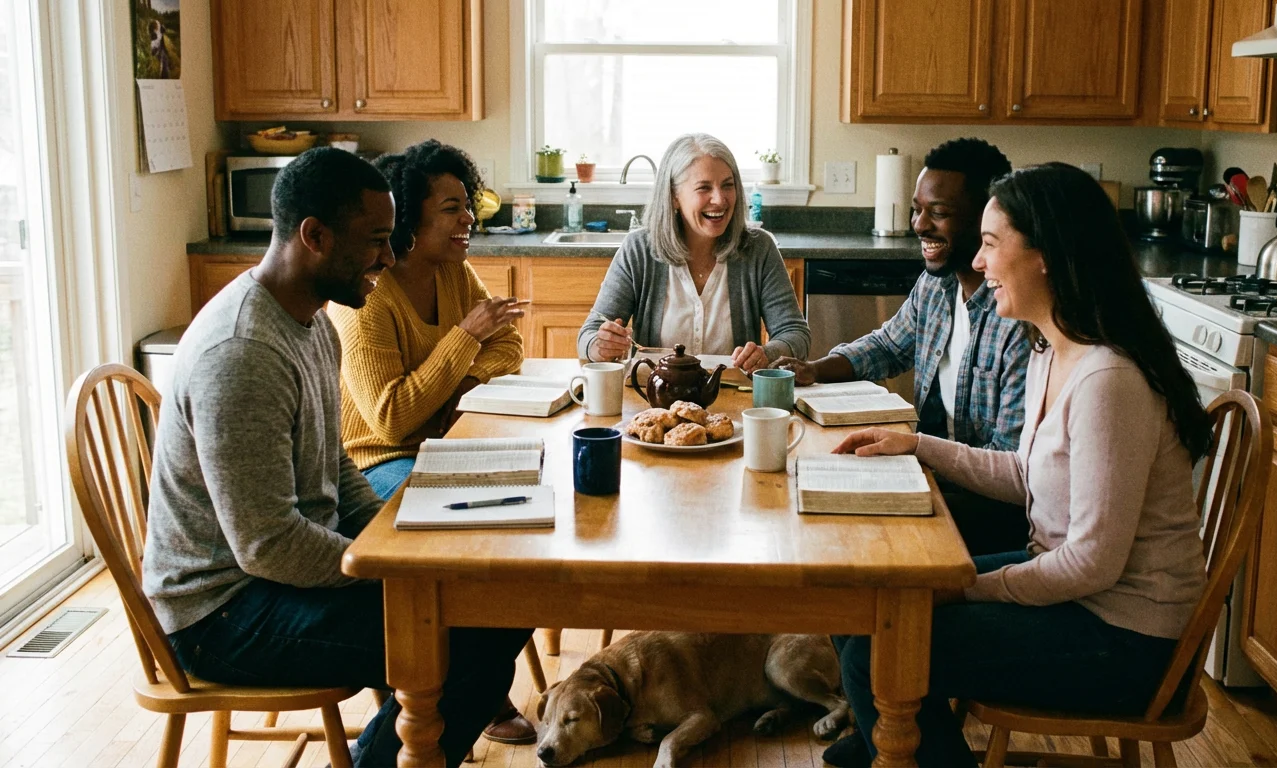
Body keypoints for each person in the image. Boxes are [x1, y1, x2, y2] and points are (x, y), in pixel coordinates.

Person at [140, 147, 531, 767]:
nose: (387, 255)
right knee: (468, 636)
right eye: (376, 240)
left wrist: (398, 541)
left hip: (276, 576)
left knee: (495, 606)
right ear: (314, 237)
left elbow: (338, 470)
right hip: (221, 611)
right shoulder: (242, 353)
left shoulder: (311, 321)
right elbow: (266, 544)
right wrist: (390, 570)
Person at [824, 163, 1213, 768]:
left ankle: (904, 748)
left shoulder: (1107, 379)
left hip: (1125, 640)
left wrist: (972, 588)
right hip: (1076, 596)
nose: (978, 264)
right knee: (866, 602)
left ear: (1046, 257)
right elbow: (1023, 474)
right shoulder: (1051, 349)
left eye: (989, 244)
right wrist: (917, 445)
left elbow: (1092, 563)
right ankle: (898, 745)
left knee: (877, 647)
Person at [327, 139, 533, 745]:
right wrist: (463, 340)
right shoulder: (370, 298)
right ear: (410, 219)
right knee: (467, 550)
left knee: (520, 532)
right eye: (451, 207)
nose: (469, 217)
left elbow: (510, 346)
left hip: (441, 441)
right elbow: (390, 420)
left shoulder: (453, 270)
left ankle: (462, 688)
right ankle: (451, 698)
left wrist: (447, 388)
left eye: (468, 203)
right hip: (376, 464)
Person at [771, 138, 1029, 556]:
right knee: (810, 494)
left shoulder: (1018, 319)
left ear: (989, 220)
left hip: (991, 505)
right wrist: (814, 369)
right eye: (918, 209)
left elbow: (1012, 469)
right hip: (932, 471)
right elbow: (888, 346)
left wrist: (913, 458)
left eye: (939, 213)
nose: (919, 225)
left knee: (848, 533)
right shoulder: (936, 285)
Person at [577, 133, 809, 372]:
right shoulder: (638, 250)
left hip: (735, 400)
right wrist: (600, 345)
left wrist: (767, 354)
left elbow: (796, 334)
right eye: (704, 188)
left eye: (727, 185)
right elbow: (589, 334)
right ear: (674, 197)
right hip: (654, 402)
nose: (719, 199)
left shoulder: (759, 248)